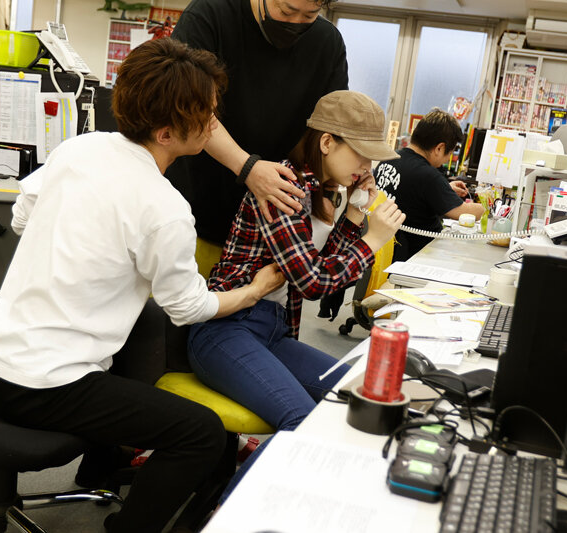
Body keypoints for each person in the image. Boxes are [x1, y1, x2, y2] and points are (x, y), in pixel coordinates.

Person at [0, 38, 284, 533]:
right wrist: (254, 290)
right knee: (201, 433)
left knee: (139, 329)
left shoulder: (81, 146)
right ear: (166, 133)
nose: (214, 124)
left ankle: (99, 466)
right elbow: (187, 307)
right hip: (42, 387)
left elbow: (21, 219)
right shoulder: (166, 209)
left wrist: (85, 252)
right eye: (207, 116)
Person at [187, 90, 406, 499]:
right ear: (327, 142)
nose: (367, 167)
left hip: (270, 332)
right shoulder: (281, 186)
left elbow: (328, 267)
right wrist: (373, 240)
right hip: (225, 328)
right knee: (301, 418)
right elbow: (312, 283)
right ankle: (226, 516)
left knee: (359, 397)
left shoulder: (325, 191)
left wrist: (355, 213)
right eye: (362, 155)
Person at [168, 0, 349, 255]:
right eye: (286, 11)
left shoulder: (327, 42)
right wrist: (248, 168)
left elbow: (331, 128)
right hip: (196, 214)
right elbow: (190, 106)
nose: (295, 22)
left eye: (309, 15)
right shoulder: (209, 15)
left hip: (275, 230)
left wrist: (329, 193)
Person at [375, 108, 485, 263]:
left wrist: (445, 188)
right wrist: (487, 207)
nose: (447, 160)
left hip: (385, 253)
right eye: (449, 153)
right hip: (416, 258)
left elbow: (410, 192)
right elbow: (465, 213)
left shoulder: (389, 159)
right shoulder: (427, 175)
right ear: (439, 148)